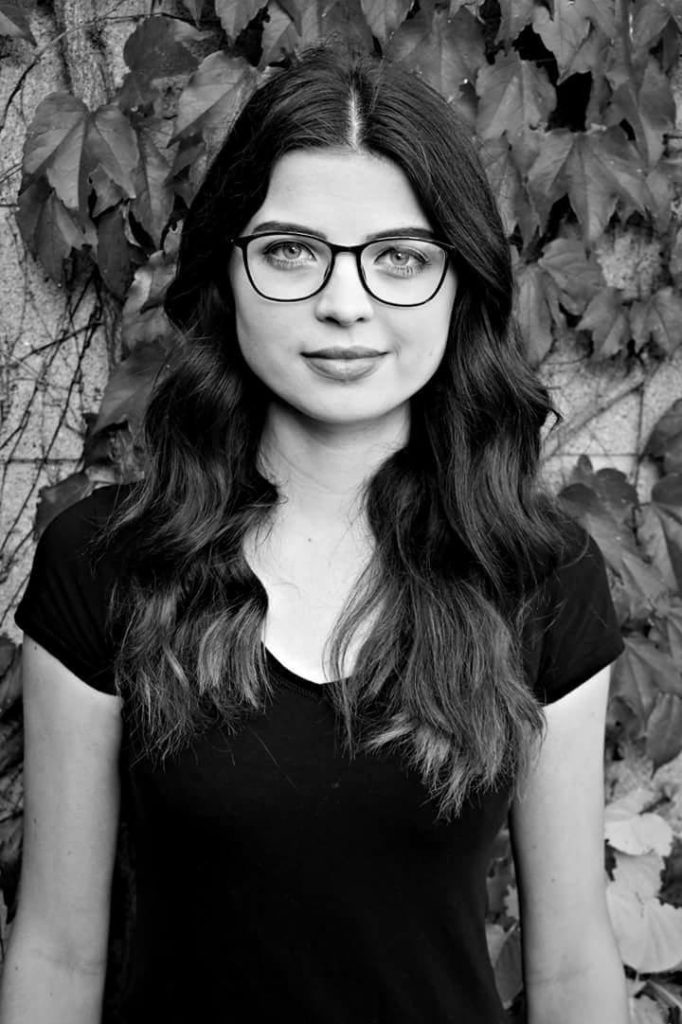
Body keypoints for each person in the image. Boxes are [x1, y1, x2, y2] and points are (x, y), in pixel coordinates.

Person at [1, 47, 628, 1024]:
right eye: (293, 249)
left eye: (400, 258)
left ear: (459, 280)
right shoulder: (106, 561)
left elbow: (570, 967)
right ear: (229, 270)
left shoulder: (539, 576)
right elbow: (58, 950)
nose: (346, 302)